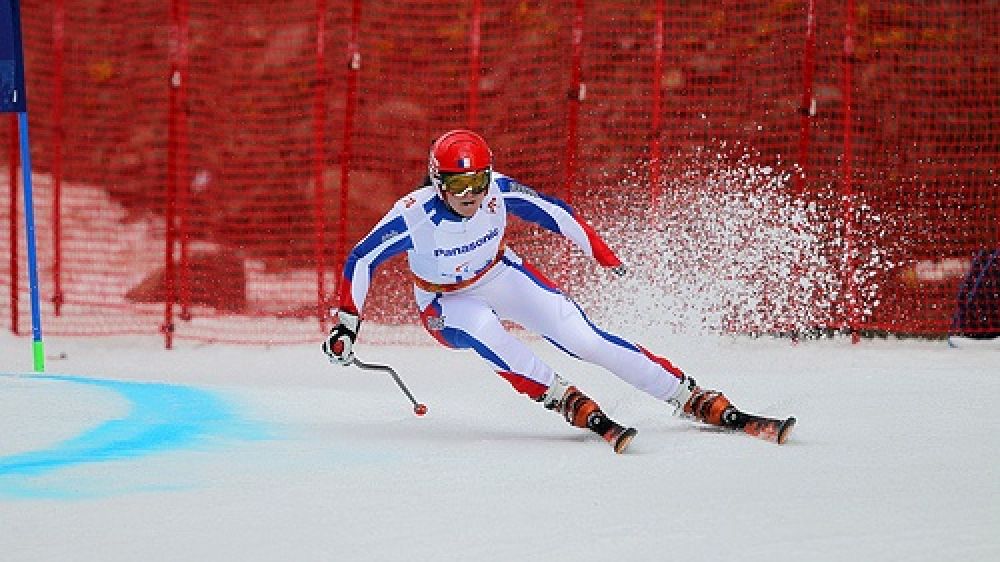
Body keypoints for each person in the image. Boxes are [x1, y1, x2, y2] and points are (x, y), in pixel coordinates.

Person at [323, 129, 753, 453]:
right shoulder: (413, 215)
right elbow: (362, 259)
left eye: (478, 182)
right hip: (445, 300)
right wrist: (346, 325)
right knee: (486, 330)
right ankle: (562, 395)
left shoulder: (498, 191)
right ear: (438, 183)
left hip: (499, 273)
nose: (471, 195)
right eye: (458, 186)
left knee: (584, 338)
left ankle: (686, 394)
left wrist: (603, 255)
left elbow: (555, 213)